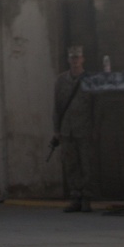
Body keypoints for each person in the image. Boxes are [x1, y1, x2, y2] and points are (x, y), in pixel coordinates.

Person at [52, 45, 96, 212]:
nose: (75, 61)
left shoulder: (89, 79)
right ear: (68, 60)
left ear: (82, 59)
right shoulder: (61, 80)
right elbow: (57, 106)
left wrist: (95, 128)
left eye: (77, 57)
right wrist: (56, 129)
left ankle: (86, 198)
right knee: (71, 165)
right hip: (67, 129)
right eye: (72, 58)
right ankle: (75, 197)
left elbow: (96, 106)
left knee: (87, 164)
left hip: (84, 128)